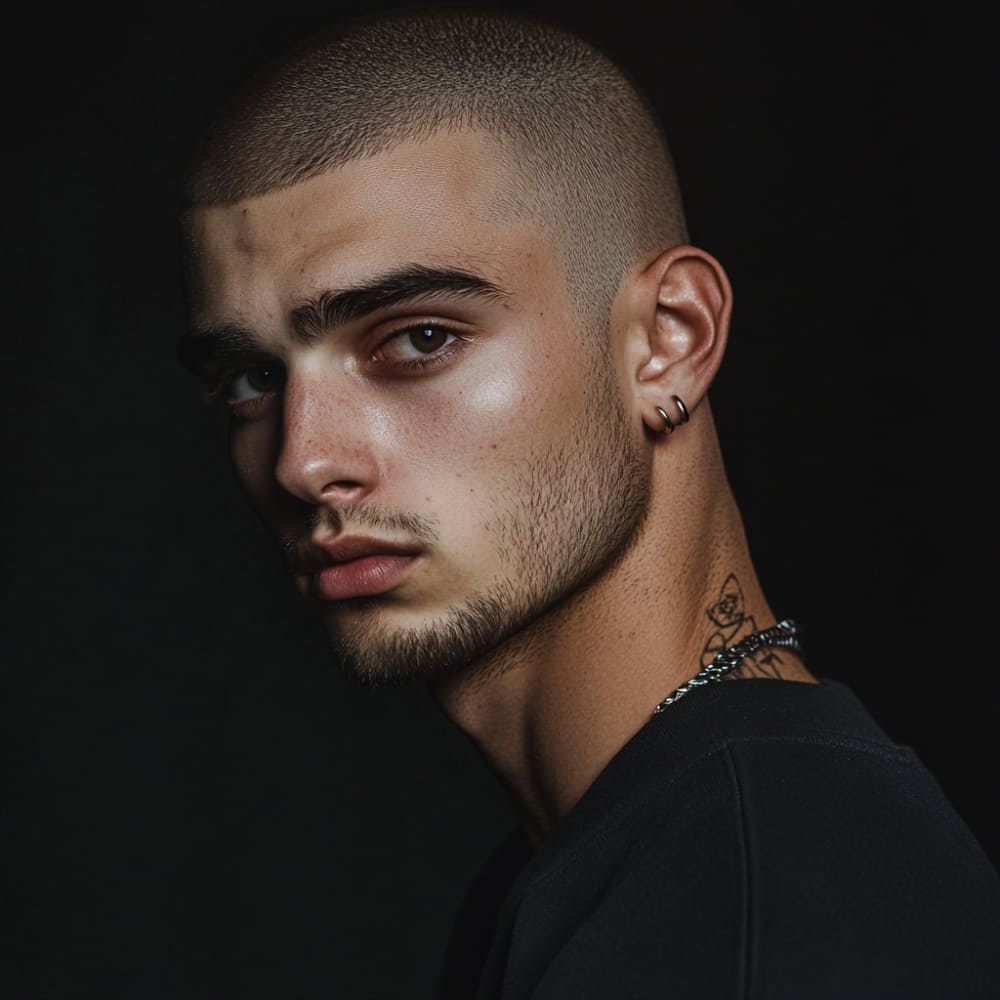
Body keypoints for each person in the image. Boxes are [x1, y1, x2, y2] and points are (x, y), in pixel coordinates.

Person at [176, 8, 1000, 998]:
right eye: (250, 380)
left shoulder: (765, 910)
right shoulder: (631, 854)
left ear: (668, 341)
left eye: (419, 339)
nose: (303, 461)